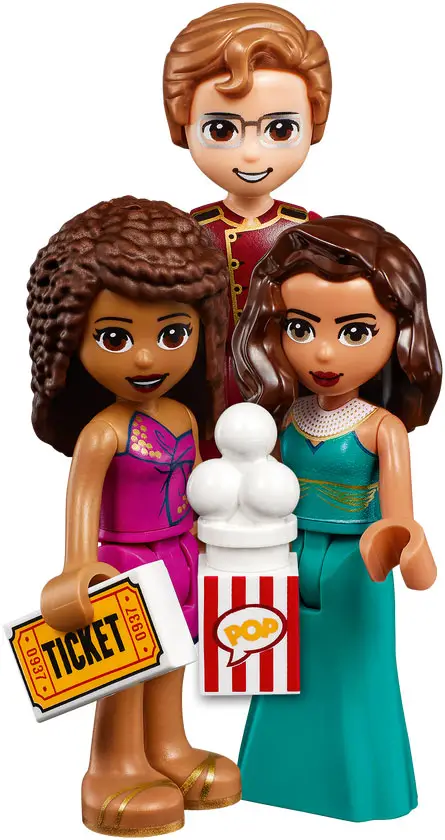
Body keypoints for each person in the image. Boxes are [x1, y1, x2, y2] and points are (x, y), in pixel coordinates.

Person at [27, 196, 241, 836]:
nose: (146, 359)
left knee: (175, 656)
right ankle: (113, 765)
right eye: (116, 338)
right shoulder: (104, 432)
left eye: (172, 335)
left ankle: (168, 747)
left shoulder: (184, 417)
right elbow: (82, 502)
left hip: (180, 554)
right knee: (126, 667)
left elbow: (197, 484)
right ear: (71, 340)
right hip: (122, 561)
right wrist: (77, 566)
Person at [232, 215, 441, 821]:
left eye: (355, 332)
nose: (323, 353)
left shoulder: (382, 429)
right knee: (275, 673)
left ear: (399, 335)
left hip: (357, 568)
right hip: (284, 556)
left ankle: (363, 792)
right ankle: (270, 778)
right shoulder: (281, 419)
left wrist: (406, 545)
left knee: (357, 678)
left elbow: (399, 519)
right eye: (300, 328)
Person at [164, 3, 331, 410]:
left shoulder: (307, 228)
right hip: (211, 375)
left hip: (291, 371)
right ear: (183, 126)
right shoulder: (189, 230)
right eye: (222, 130)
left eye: (280, 129)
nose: (252, 154)